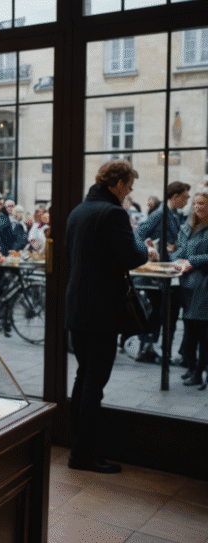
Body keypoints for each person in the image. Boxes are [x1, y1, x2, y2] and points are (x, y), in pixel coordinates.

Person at [65, 159, 156, 473]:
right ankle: (82, 456)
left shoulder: (78, 210)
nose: (128, 193)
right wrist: (145, 247)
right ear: (118, 185)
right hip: (101, 310)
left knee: (83, 376)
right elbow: (131, 256)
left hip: (77, 306)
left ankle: (78, 448)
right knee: (95, 382)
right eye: (129, 187)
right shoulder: (113, 212)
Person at [134, 181, 191, 362]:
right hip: (160, 274)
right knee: (161, 312)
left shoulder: (172, 214)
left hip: (167, 271)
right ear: (175, 197)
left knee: (163, 312)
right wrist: (148, 250)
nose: (187, 200)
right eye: (185, 197)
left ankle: (152, 348)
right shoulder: (161, 214)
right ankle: (148, 348)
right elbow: (139, 233)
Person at [175, 191, 208, 388]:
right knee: (189, 331)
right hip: (186, 285)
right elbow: (180, 250)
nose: (198, 207)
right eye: (195, 203)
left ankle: (200, 371)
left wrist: (191, 261)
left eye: (202, 204)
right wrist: (174, 260)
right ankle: (192, 367)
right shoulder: (188, 226)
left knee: (203, 332)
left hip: (204, 286)